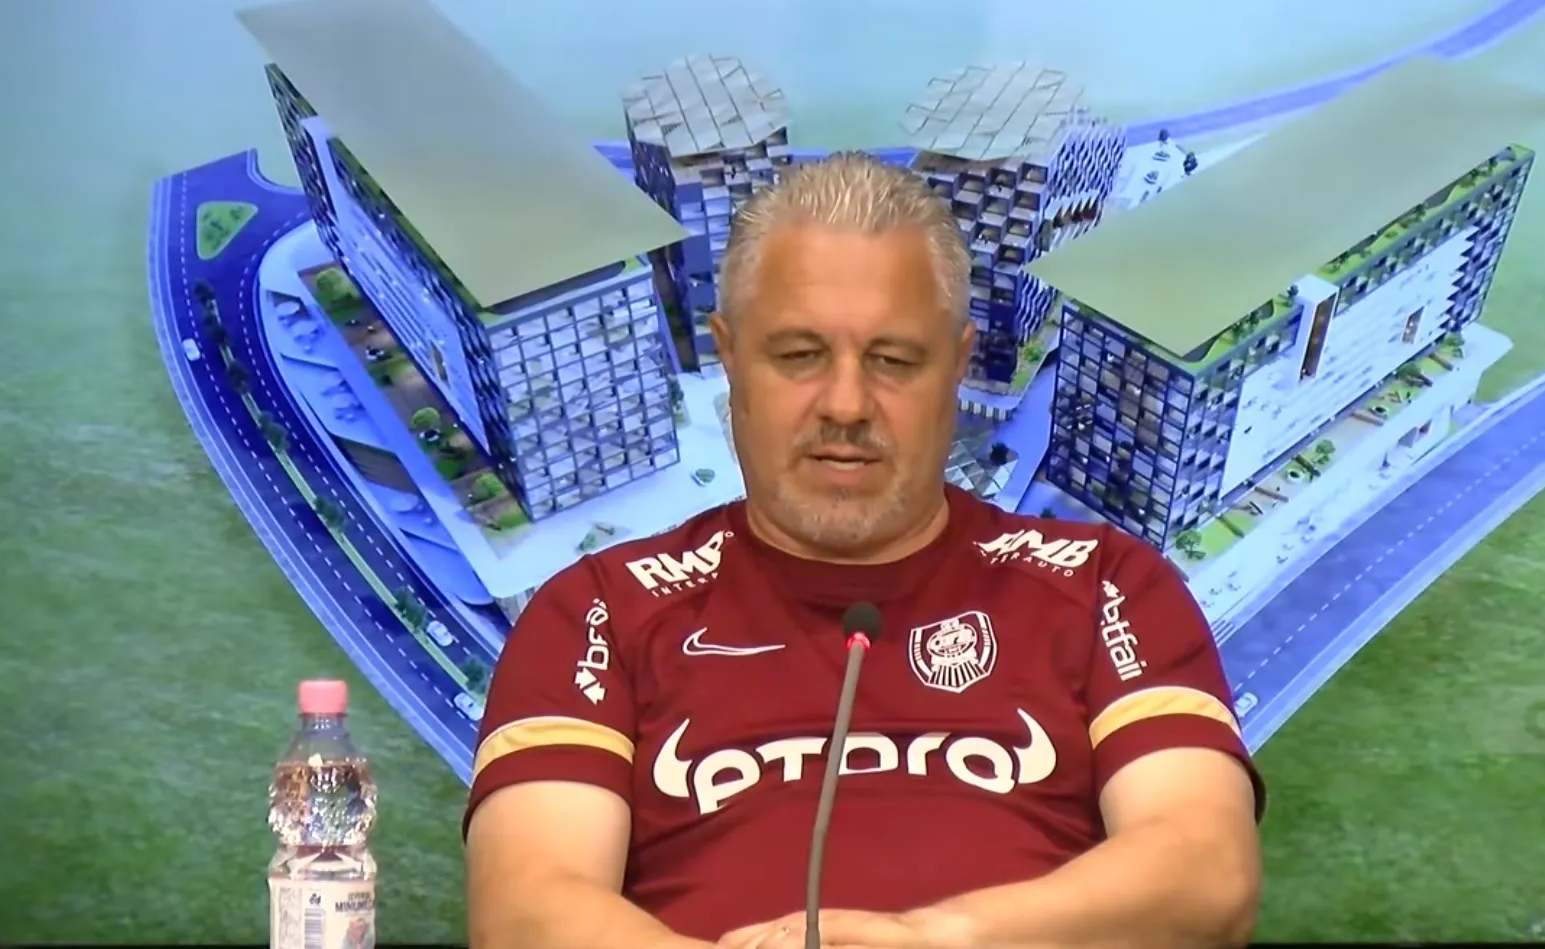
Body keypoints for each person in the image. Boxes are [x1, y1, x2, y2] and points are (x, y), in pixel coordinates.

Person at [464, 151, 1264, 949]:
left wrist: (938, 938)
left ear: (955, 365)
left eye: (892, 360)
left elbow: (1204, 874)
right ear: (729, 358)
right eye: (798, 355)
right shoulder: (599, 607)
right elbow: (526, 911)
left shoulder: (1105, 582)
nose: (845, 403)